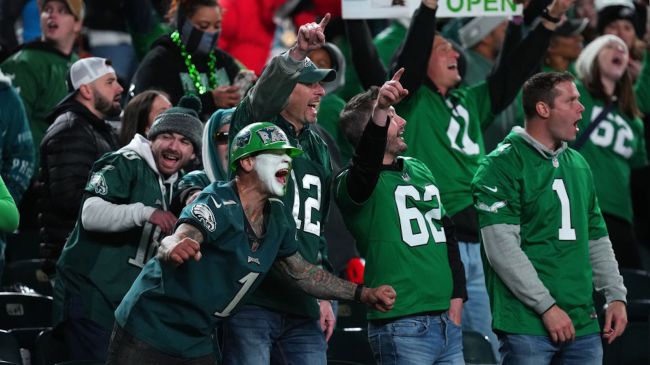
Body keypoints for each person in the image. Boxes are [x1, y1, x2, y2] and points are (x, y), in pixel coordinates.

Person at [105, 122, 397, 364]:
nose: (287, 161)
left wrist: (362, 293)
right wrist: (175, 247)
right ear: (246, 161)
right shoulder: (217, 199)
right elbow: (184, 234)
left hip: (197, 339)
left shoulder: (278, 215)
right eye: (276, 154)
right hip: (148, 328)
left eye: (288, 155)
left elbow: (303, 273)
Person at [390, 0, 575, 355]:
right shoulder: (410, 102)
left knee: (488, 345)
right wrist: (428, 9)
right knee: (455, 345)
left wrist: (547, 19)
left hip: (485, 240)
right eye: (442, 47)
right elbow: (409, 59)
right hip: (441, 243)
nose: (454, 53)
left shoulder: (470, 100)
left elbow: (513, 72)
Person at [472, 71, 628, 364]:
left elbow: (596, 236)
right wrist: (546, 307)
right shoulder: (500, 165)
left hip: (583, 320)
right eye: (571, 101)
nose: (581, 108)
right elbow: (502, 249)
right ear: (543, 109)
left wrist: (615, 295)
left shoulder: (579, 163)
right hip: (527, 323)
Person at [221, 15, 338, 365]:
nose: (320, 92)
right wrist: (298, 53)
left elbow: (318, 229)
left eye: (321, 85)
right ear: (285, 90)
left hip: (303, 304)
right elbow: (260, 98)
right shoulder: (256, 127)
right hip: (255, 297)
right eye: (310, 84)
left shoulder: (319, 146)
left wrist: (323, 293)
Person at [53, 95, 204, 361]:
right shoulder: (125, 161)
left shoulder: (179, 184)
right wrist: (145, 213)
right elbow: (89, 214)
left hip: (125, 306)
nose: (174, 146)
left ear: (193, 153)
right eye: (167, 136)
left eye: (184, 141)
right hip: (90, 294)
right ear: (151, 137)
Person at [335, 69, 466, 364]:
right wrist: (380, 109)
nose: (402, 121)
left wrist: (457, 296)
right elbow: (365, 167)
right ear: (373, 127)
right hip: (401, 325)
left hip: (445, 320)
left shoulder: (418, 167)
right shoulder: (350, 184)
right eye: (392, 116)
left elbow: (448, 232)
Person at [0, 0, 83, 236]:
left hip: (63, 185)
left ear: (77, 24)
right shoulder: (23, 64)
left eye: (62, 11)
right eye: (47, 10)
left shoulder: (78, 65)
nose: (52, 16)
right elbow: (14, 131)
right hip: (30, 189)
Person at [38, 57, 122, 278]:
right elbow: (69, 199)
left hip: (89, 259)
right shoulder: (71, 129)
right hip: (76, 263)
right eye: (110, 82)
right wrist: (125, 207)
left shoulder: (95, 128)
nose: (119, 88)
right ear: (85, 89)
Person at [572, 34, 648, 269]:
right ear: (591, 56)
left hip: (621, 218)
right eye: (610, 46)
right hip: (577, 209)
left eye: (623, 48)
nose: (620, 49)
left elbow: (640, 174)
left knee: (629, 294)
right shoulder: (574, 94)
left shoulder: (633, 119)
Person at [130, 0, 244, 119]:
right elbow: (150, 110)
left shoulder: (223, 60)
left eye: (217, 26)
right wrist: (209, 100)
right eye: (204, 25)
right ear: (184, 23)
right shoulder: (160, 60)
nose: (212, 32)